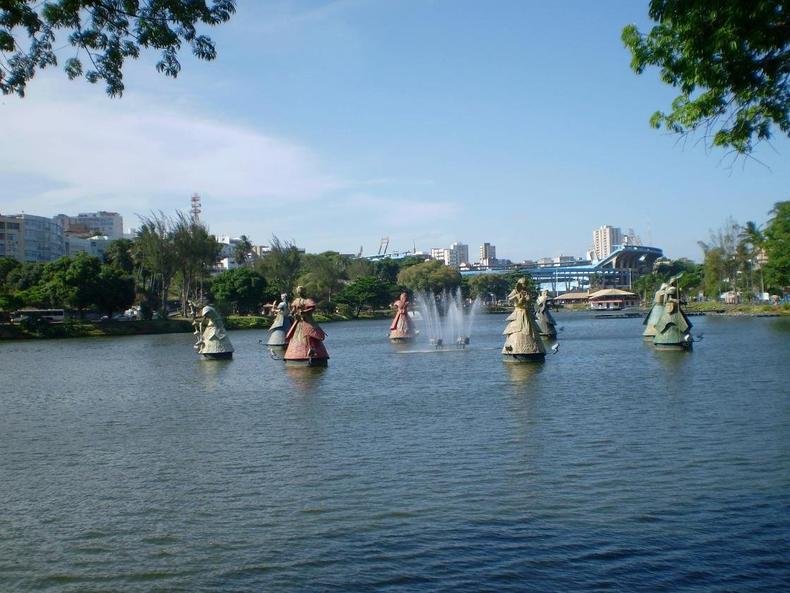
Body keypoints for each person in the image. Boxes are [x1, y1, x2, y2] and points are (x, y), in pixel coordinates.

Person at [283, 286, 329, 365]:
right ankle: (299, 355)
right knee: (299, 336)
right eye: (299, 291)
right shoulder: (297, 301)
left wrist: (304, 312)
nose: (300, 293)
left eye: (301, 291)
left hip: (308, 321)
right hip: (299, 322)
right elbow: (293, 310)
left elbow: (312, 308)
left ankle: (313, 352)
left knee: (311, 334)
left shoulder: (307, 300)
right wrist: (292, 314)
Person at [502, 278, 545, 360]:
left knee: (530, 329)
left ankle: (534, 349)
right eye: (523, 284)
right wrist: (517, 296)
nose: (525, 286)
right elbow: (509, 298)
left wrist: (528, 298)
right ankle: (516, 350)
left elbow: (530, 300)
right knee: (518, 328)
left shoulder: (527, 291)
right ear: (520, 284)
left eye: (526, 284)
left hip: (527, 312)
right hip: (519, 312)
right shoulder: (515, 291)